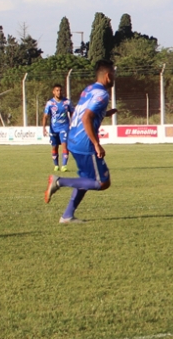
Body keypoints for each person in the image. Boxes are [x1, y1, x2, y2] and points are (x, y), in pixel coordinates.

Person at [44, 60, 117, 223]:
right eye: (114, 74)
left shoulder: (89, 90)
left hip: (73, 139)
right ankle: (59, 181)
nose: (115, 77)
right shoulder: (103, 94)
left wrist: (104, 113)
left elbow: (82, 111)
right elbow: (86, 117)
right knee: (102, 182)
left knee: (86, 178)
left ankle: (67, 216)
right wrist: (96, 144)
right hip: (85, 142)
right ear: (108, 76)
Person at [42, 84, 75, 171]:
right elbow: (45, 116)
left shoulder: (67, 102)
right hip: (53, 128)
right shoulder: (50, 103)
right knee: (54, 147)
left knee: (65, 146)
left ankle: (64, 165)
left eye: (60, 90)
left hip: (64, 127)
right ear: (53, 92)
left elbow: (72, 113)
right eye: (57, 90)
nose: (59, 92)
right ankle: (56, 165)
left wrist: (74, 123)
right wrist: (44, 128)